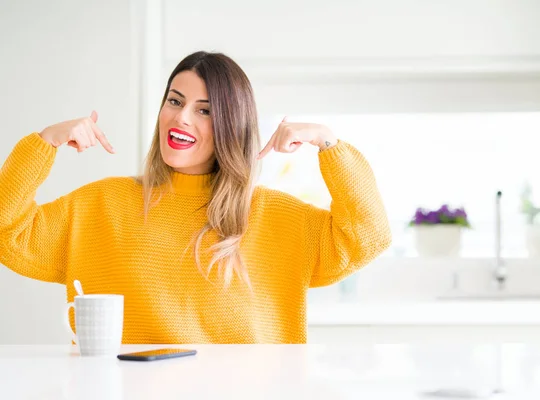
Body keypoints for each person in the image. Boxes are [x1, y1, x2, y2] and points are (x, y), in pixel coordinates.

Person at [0, 51, 391, 344]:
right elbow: (8, 233)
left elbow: (368, 236)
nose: (182, 117)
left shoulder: (277, 216)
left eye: (204, 111)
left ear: (231, 127)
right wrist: (44, 142)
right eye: (175, 100)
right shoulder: (101, 205)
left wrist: (327, 143)